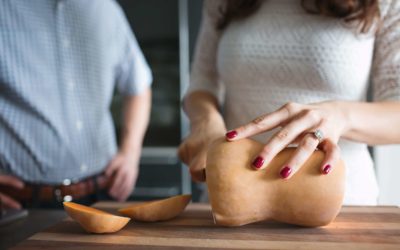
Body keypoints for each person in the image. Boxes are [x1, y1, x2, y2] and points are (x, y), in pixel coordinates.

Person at [178, 0, 400, 205]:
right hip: (233, 195)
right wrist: (206, 121)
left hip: (338, 201)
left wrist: (340, 116)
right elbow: (202, 83)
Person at [0, 0, 152, 209]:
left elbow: (139, 86)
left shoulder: (105, 8)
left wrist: (130, 152)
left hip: (103, 194)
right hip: (20, 204)